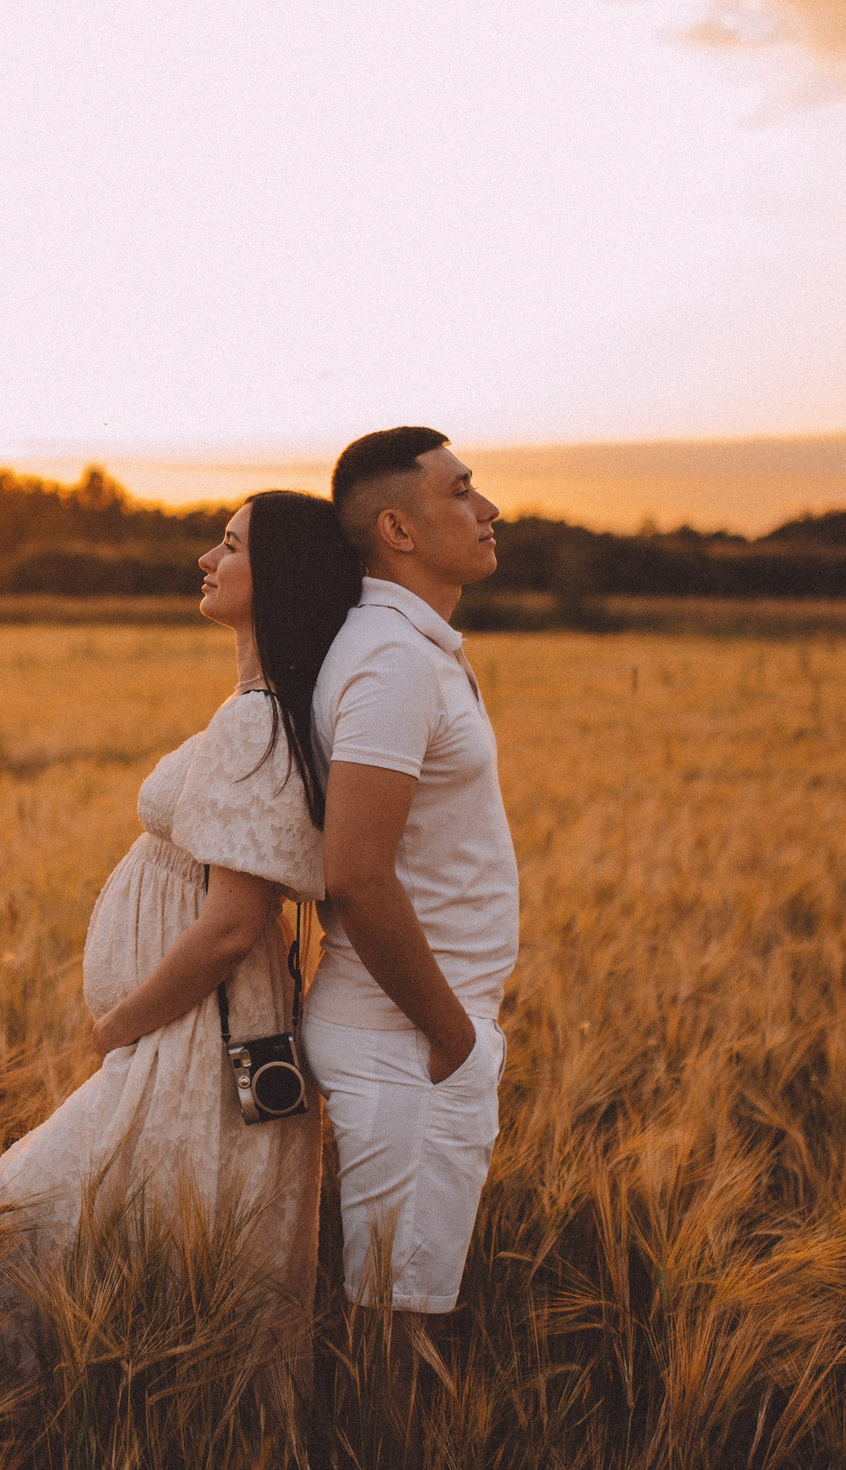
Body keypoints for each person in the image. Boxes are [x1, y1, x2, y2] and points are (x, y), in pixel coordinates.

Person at [0, 488, 362, 1383]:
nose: (206, 560)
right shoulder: (256, 706)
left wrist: (120, 1024)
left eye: (230, 545)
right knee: (146, 1241)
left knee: (1, 1221)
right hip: (197, 1027)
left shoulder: (258, 719)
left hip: (197, 1034)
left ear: (278, 575)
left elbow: (231, 927)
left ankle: (54, 1421)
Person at [297, 427, 515, 1411]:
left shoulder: (409, 648)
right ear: (397, 528)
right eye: (461, 490)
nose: (488, 508)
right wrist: (451, 1034)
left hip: (415, 1034)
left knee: (396, 1322)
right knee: (391, 1346)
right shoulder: (392, 660)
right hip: (408, 1042)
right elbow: (356, 873)